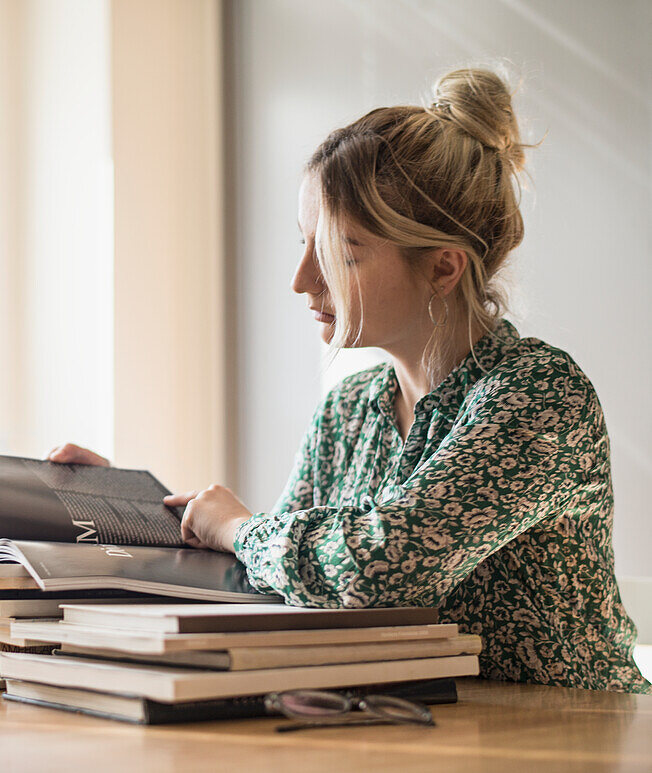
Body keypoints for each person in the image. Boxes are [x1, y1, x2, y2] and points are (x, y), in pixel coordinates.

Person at [48, 68, 650, 694]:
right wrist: (132, 510)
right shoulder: (349, 410)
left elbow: (377, 567)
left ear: (443, 268)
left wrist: (238, 527)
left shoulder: (540, 395)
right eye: (305, 243)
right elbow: (287, 572)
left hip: (571, 743)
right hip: (420, 737)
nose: (302, 278)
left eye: (339, 252)